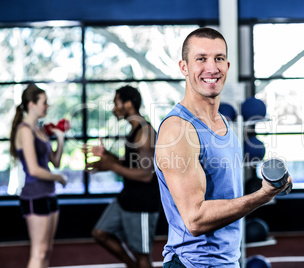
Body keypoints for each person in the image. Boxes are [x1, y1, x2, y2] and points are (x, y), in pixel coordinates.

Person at [154, 27, 292, 267]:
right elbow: (195, 220)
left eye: (218, 58)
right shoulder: (178, 130)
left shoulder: (225, 125)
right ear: (184, 67)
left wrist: (275, 187)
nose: (212, 68)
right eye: (201, 59)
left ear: (227, 66)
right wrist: (262, 196)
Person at [86, 85, 160, 268]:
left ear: (128, 104)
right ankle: (131, 265)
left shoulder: (144, 132)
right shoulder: (134, 130)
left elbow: (145, 174)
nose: (113, 108)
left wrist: (111, 166)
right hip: (127, 197)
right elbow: (131, 163)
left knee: (143, 256)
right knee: (100, 232)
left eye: (116, 103)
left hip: (143, 203)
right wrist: (108, 156)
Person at [9, 84, 67, 268]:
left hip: (49, 194)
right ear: (31, 104)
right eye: (44, 102)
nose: (47, 106)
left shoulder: (40, 130)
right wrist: (59, 178)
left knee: (47, 251)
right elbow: (33, 169)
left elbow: (55, 162)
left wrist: (60, 139)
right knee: (38, 252)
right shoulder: (24, 130)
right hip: (34, 195)